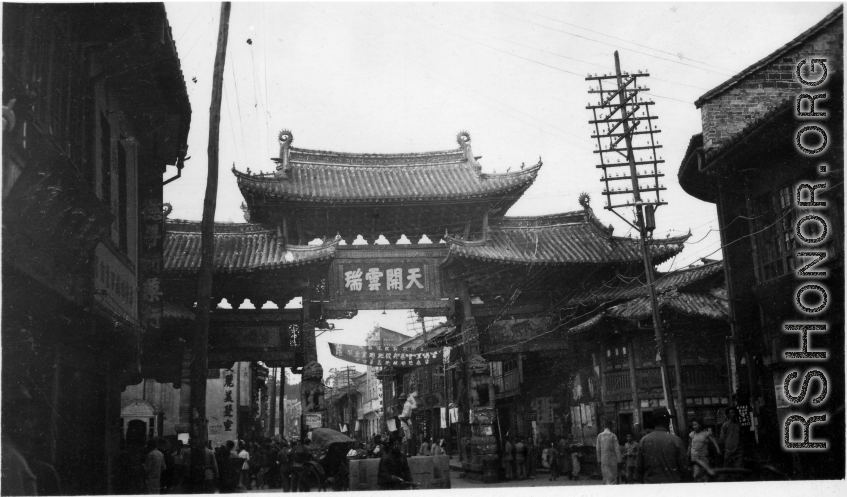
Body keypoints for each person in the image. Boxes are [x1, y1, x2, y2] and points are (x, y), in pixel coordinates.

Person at [635, 408, 689, 484]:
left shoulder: (643, 440)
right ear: (667, 421)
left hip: (651, 486)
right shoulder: (676, 440)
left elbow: (638, 469)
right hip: (672, 486)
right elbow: (684, 468)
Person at [596, 420, 622, 484]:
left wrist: (599, 460)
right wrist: (619, 460)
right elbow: (617, 449)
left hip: (603, 459)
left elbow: (598, 449)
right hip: (612, 459)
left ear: (604, 427)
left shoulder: (599, 436)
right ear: (610, 426)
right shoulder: (613, 435)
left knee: (605, 475)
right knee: (613, 476)